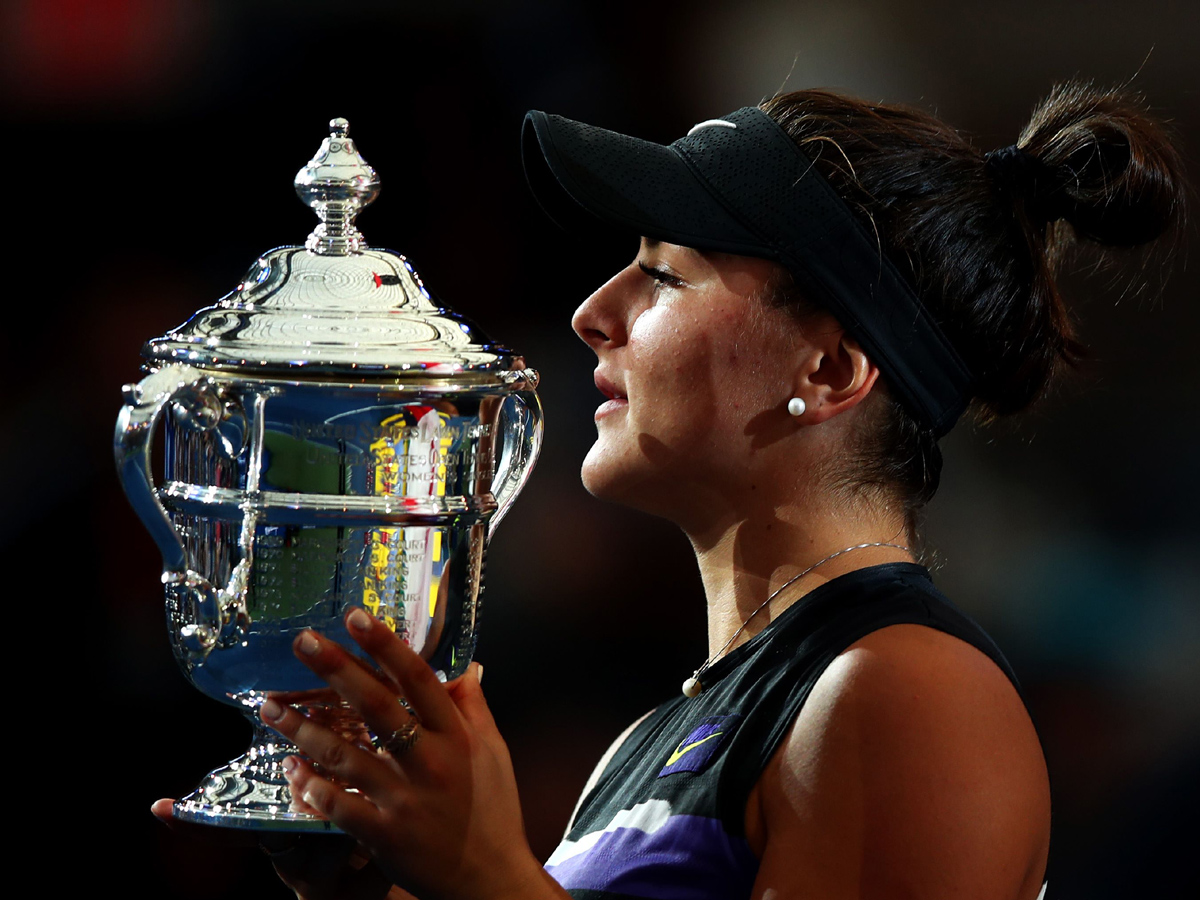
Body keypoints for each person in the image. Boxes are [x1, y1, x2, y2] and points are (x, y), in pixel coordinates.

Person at [155, 81, 1185, 900]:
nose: (593, 314)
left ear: (828, 373)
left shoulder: (905, 695)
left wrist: (489, 882)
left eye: (664, 274)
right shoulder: (660, 739)